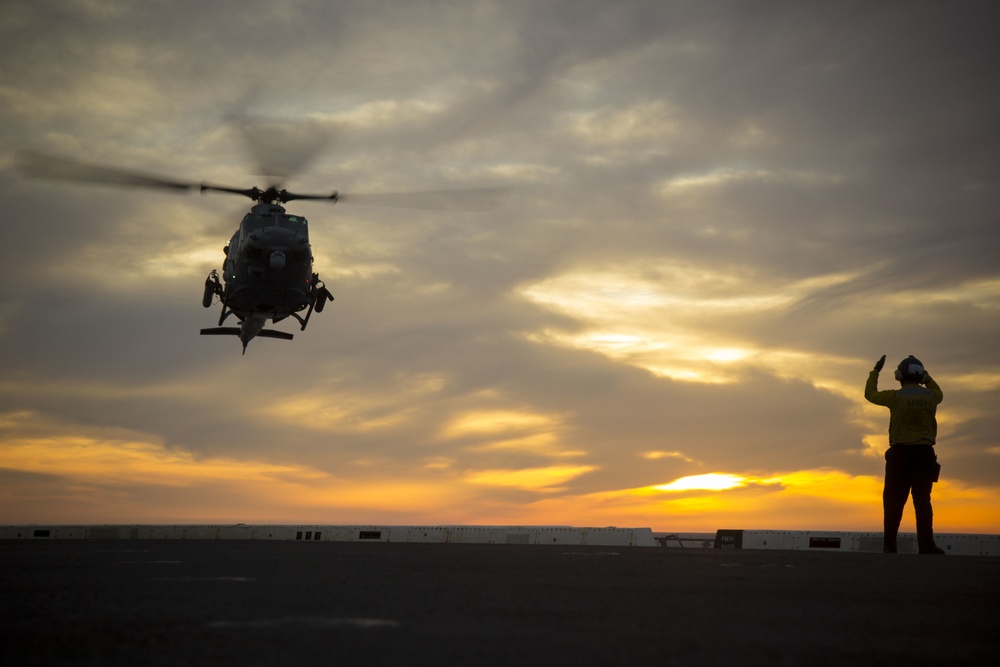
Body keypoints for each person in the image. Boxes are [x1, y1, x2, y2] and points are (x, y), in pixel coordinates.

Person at [865, 355, 945, 554]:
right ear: (920, 376)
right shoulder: (932, 397)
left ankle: (889, 546)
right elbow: (938, 392)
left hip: (900, 454)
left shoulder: (895, 397)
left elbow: (870, 394)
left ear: (900, 375)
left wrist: (875, 372)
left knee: (893, 501)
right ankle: (927, 545)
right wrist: (927, 378)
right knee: (923, 501)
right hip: (925, 454)